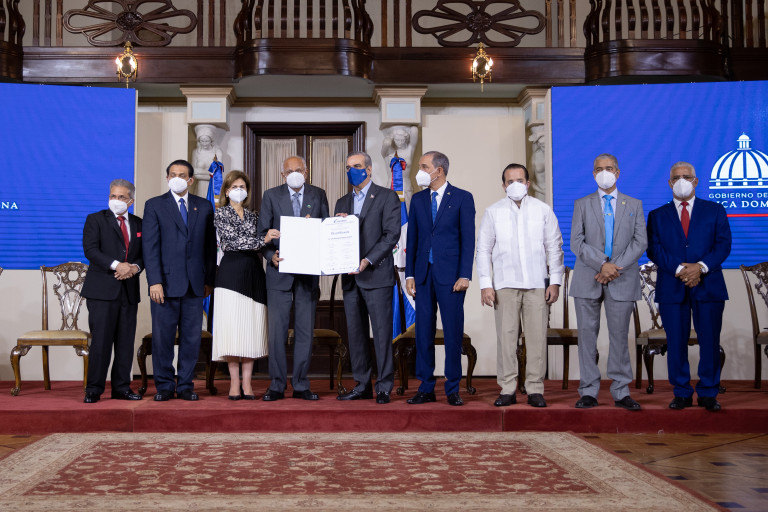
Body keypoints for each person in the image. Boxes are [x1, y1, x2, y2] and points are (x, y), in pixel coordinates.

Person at [476, 164, 564, 408]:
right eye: (510, 181)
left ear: (528, 183)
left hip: (537, 283)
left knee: (537, 339)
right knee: (506, 339)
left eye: (519, 180)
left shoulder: (542, 210)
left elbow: (554, 247)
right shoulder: (493, 212)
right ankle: (507, 388)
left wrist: (555, 281)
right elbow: (483, 250)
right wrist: (486, 284)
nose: (515, 185)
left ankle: (535, 388)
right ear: (503, 185)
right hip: (504, 285)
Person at [647, 161, 732, 412]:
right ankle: (681, 392)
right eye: (676, 177)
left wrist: (700, 268)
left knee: (710, 341)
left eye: (687, 176)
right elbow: (654, 249)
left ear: (696, 181)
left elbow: (723, 245)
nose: (681, 180)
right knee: (675, 342)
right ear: (669, 183)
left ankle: (708, 392)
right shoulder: (657, 215)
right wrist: (680, 270)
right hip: (672, 286)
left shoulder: (715, 210)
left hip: (708, 285)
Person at [570, 153, 646, 411]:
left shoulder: (634, 204)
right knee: (586, 337)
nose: (604, 172)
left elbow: (640, 242)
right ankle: (588, 391)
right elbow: (576, 241)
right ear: (593, 174)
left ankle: (621, 391)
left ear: (618, 172)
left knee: (619, 337)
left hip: (622, 278)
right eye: (599, 169)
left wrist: (614, 267)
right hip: (588, 277)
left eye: (609, 168)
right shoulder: (582, 204)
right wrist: (602, 264)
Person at [404, 151, 475, 406]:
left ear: (439, 170)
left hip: (452, 277)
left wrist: (465, 274)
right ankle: (426, 387)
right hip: (423, 275)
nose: (420, 171)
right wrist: (410, 274)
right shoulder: (418, 199)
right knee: (423, 332)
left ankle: (452, 388)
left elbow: (468, 239)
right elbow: (412, 239)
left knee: (453, 332)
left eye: (424, 166)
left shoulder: (462, 198)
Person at [257, 156, 330, 401]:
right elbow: (262, 234)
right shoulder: (271, 195)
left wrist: (317, 227)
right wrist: (271, 256)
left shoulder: (318, 195)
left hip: (307, 275)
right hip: (279, 273)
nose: (294, 174)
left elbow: (326, 231)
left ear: (306, 172)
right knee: (277, 333)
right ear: (282, 175)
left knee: (305, 331)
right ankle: (276, 385)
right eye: (289, 171)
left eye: (299, 170)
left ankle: (300, 384)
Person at [143, 159, 217, 401]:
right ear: (167, 178)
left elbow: (209, 248)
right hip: (164, 285)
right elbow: (150, 247)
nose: (177, 178)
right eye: (173, 174)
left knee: (191, 339)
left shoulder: (203, 206)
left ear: (190, 180)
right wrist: (154, 281)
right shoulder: (154, 205)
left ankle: (185, 385)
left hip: (195, 286)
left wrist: (209, 280)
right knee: (163, 339)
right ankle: (164, 386)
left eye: (182, 175)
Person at [334, 151, 401, 404]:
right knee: (356, 335)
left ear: (369, 169)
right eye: (348, 167)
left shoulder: (386, 196)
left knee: (382, 334)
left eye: (357, 166)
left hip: (376, 275)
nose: (352, 171)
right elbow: (337, 237)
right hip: (350, 279)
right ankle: (362, 385)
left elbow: (391, 235)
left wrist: (367, 260)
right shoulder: (341, 202)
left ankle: (384, 386)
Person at [212, 171, 280, 400]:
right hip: (230, 275)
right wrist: (264, 239)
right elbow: (233, 242)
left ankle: (248, 383)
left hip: (254, 274)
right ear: (226, 191)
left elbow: (263, 243)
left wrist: (271, 248)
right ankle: (234, 384)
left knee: (250, 330)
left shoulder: (255, 216)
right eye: (234, 186)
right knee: (233, 330)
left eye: (242, 186)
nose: (238, 190)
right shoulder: (220, 214)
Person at [81, 179, 143, 403]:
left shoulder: (139, 223)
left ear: (131, 201)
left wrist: (134, 268)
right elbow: (90, 250)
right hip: (102, 292)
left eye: (121, 197)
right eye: (113, 196)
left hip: (129, 291)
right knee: (101, 343)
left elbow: (145, 254)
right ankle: (94, 389)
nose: (116, 200)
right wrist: (118, 266)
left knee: (125, 344)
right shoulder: (95, 219)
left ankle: (122, 388)